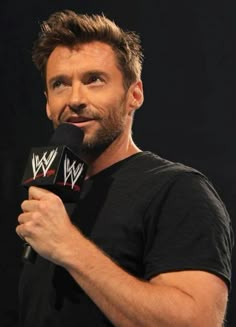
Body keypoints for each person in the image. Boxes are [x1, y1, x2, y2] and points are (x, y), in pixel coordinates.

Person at [16, 9, 234, 327]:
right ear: (48, 102)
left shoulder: (178, 190)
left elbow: (198, 321)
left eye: (94, 80)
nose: (75, 98)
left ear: (134, 95)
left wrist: (69, 246)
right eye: (60, 84)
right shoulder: (52, 196)